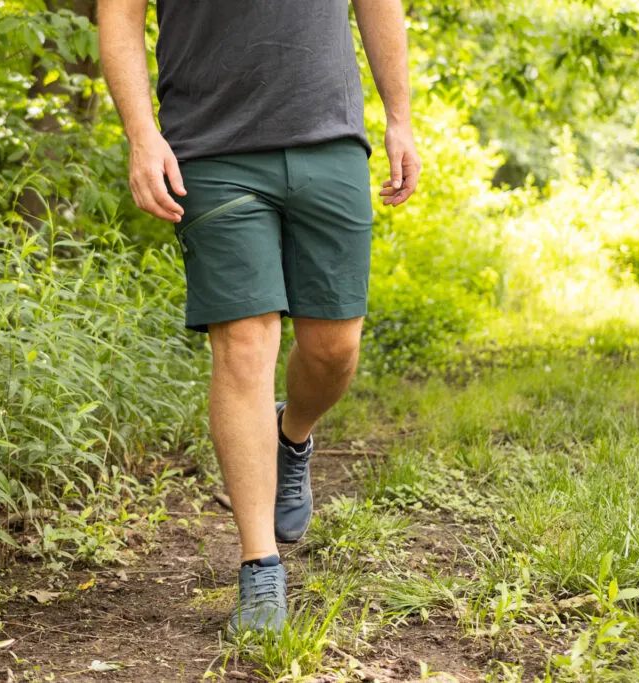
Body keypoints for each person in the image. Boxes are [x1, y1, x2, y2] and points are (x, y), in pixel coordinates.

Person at [99, 0, 420, 635]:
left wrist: (400, 119)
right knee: (245, 346)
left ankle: (291, 434)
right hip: (212, 150)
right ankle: (260, 566)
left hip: (329, 138)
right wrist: (141, 133)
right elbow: (120, 19)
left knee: (334, 349)